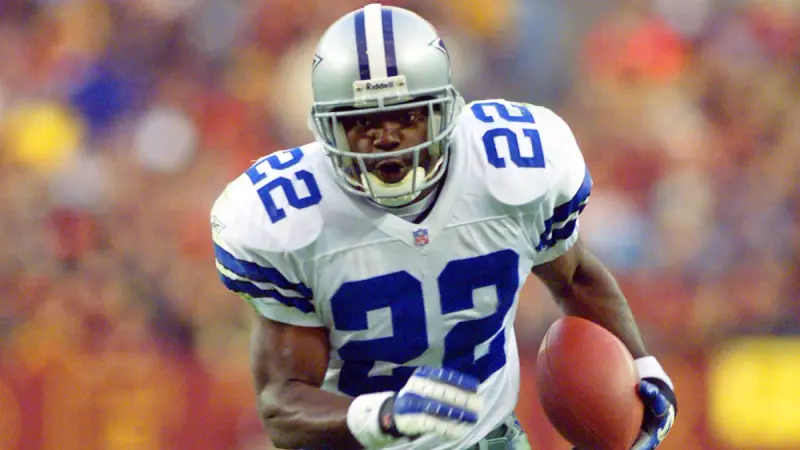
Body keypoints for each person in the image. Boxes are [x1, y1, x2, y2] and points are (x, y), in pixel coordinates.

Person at [210, 4, 677, 449]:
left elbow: (574, 277)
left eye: (408, 116)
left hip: (487, 439)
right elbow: (282, 403)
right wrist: (384, 416)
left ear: (445, 110)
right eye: (362, 121)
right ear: (327, 128)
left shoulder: (511, 168)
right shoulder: (289, 217)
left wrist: (644, 368)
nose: (386, 138)